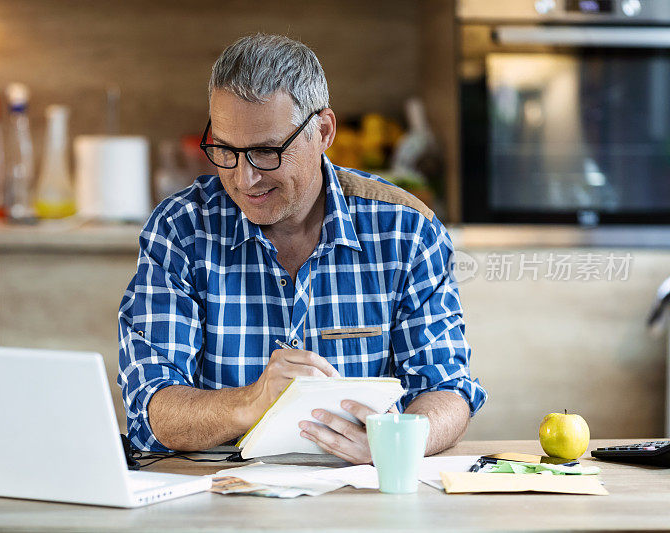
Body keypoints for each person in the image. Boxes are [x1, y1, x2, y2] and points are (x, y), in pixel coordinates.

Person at [118, 34, 486, 464]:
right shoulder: (180, 231)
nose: (244, 179)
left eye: (266, 152)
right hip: (218, 500)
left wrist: (395, 443)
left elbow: (446, 389)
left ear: (323, 131)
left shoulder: (407, 231)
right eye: (225, 150)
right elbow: (150, 406)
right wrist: (250, 402)